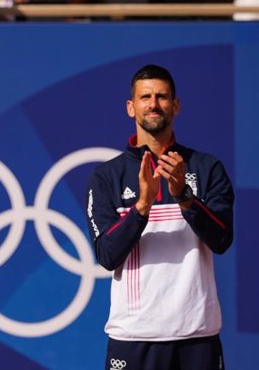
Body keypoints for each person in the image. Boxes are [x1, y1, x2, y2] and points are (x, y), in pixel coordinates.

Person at [85, 64, 233, 369]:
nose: (154, 104)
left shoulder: (206, 168)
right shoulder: (107, 177)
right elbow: (107, 255)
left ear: (176, 106)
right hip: (134, 339)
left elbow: (222, 239)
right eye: (145, 97)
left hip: (197, 337)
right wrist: (142, 205)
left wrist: (183, 196)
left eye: (162, 97)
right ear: (131, 107)